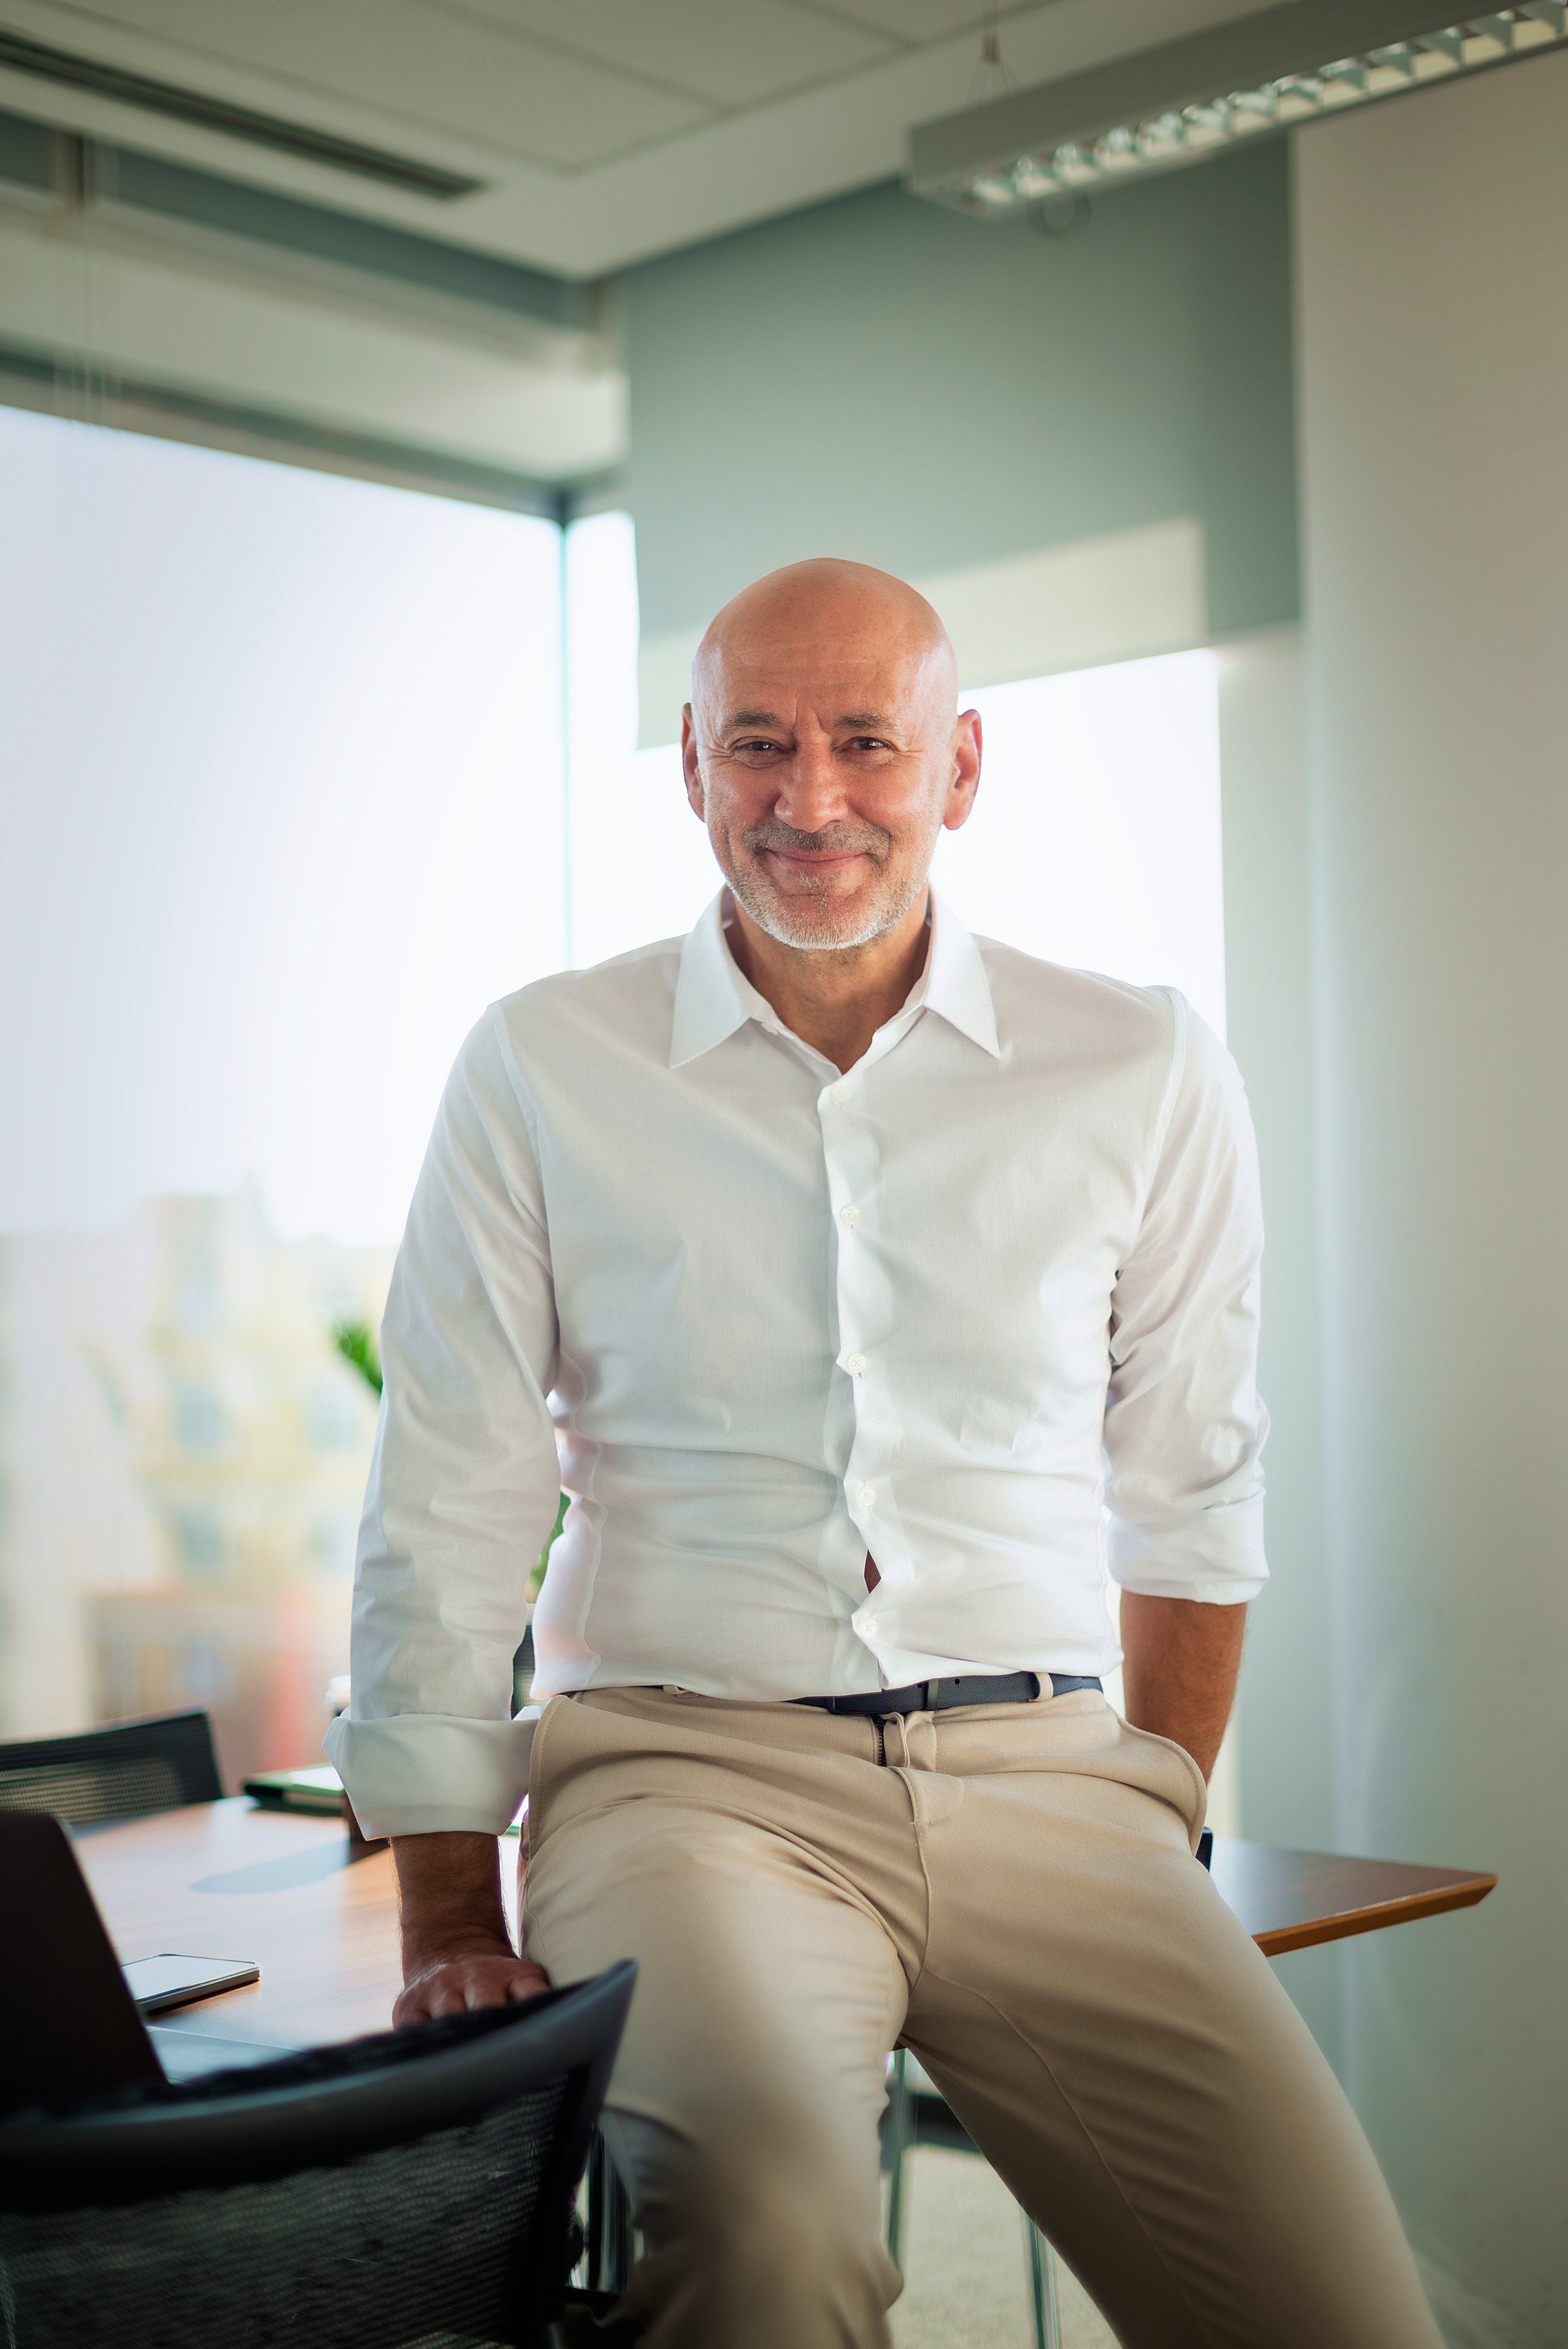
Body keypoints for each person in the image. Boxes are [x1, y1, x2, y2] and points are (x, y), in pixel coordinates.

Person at [329, 559, 1440, 2348]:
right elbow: (450, 1500)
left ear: (965, 765)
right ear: (692, 763)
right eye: (759, 742)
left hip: (1059, 1774)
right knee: (769, 2242)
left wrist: (1155, 1793)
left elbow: (1192, 1479)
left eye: (868, 742)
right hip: (688, 1783)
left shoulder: (1138, 1061)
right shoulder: (541, 1064)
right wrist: (451, 1909)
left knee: (1345, 2316)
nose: (812, 797)